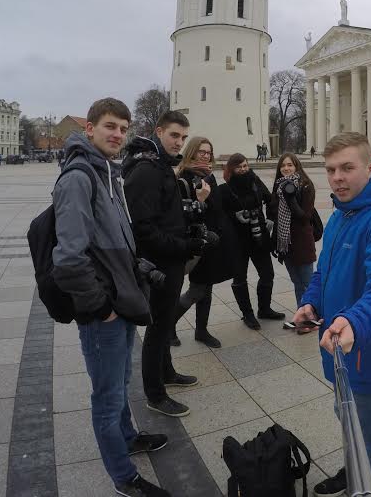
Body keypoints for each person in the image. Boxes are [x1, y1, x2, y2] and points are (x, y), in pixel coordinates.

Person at [52, 98, 169, 497]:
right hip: (104, 308)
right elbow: (69, 259)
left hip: (121, 297)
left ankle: (128, 437)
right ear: (89, 128)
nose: (118, 134)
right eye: (109, 126)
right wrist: (99, 307)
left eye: (123, 127)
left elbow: (113, 238)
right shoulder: (79, 178)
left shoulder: (107, 172)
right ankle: (124, 477)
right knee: (106, 396)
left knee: (120, 381)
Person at [293, 132, 371, 497]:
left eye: (347, 168)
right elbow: (324, 272)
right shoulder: (342, 214)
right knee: (350, 422)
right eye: (330, 170)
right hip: (342, 354)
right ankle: (353, 471)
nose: (337, 178)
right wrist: (311, 303)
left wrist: (356, 322)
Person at [122, 110, 208, 418]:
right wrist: (184, 246)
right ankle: (155, 394)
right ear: (158, 132)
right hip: (159, 264)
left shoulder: (160, 165)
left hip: (170, 259)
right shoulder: (147, 170)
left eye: (183, 137)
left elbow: (164, 215)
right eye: (174, 135)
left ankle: (167, 372)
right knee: (158, 329)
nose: (179, 142)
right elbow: (144, 229)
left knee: (165, 320)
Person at [172, 137, 232, 349]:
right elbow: (181, 215)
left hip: (210, 240)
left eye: (208, 152)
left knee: (206, 287)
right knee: (197, 290)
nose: (206, 156)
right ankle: (168, 326)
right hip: (195, 241)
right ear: (192, 152)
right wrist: (200, 201)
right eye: (201, 152)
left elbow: (217, 207)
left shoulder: (207, 175)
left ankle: (201, 330)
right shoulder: (183, 178)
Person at [218, 154, 285, 330]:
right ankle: (247, 314)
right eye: (238, 167)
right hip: (237, 240)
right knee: (240, 277)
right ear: (231, 169)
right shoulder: (224, 189)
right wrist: (235, 216)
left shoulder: (255, 182)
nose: (243, 170)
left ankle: (264, 309)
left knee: (267, 274)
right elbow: (219, 215)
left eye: (245, 166)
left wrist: (270, 218)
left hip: (258, 235)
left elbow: (270, 200)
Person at [268, 153, 317, 307]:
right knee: (297, 283)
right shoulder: (279, 186)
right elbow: (275, 215)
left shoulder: (305, 186)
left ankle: (314, 314)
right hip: (286, 244)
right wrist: (274, 241)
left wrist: (291, 199)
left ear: (296, 166)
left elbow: (305, 217)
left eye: (290, 165)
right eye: (283, 165)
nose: (286, 168)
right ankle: (301, 313)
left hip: (302, 243)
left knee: (308, 284)